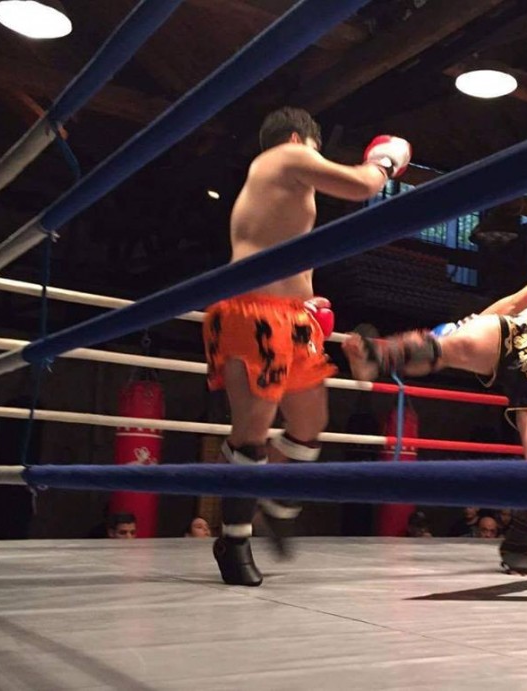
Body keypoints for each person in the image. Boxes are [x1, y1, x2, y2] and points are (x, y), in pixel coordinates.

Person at [343, 208, 527, 575]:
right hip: (519, 331)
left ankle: (519, 541)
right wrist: (471, 322)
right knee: (455, 344)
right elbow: (516, 302)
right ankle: (376, 357)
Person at [203, 106, 412, 586]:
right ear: (301, 139)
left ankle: (277, 505)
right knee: (252, 431)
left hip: (295, 318)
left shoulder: (280, 186)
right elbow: (361, 185)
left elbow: (290, 250)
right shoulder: (286, 156)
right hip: (255, 313)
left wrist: (308, 300)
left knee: (309, 423)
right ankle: (233, 539)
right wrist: (385, 160)